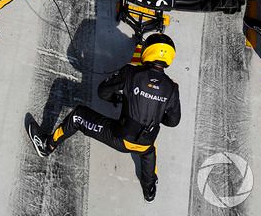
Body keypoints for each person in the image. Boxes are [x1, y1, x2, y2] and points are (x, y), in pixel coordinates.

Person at [26, 32, 181, 202]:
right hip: (145, 143)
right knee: (148, 151)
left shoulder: (131, 72)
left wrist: (117, 97)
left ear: (147, 51)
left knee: (78, 116)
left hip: (120, 138)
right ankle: (149, 189)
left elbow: (103, 92)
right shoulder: (172, 88)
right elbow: (173, 121)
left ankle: (46, 146)